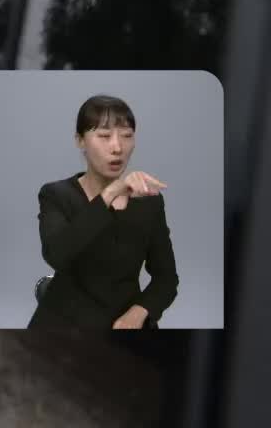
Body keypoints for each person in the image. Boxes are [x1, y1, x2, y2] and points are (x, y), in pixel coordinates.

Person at [28, 95, 179, 330]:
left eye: (127, 136)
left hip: (123, 329)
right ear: (80, 141)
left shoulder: (149, 203)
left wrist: (139, 313)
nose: (117, 147)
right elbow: (56, 254)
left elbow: (167, 279)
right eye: (104, 136)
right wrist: (112, 192)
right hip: (62, 328)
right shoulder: (56, 194)